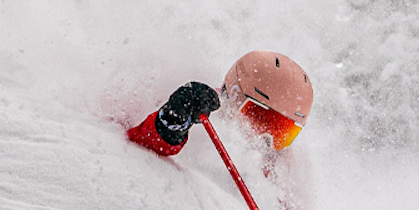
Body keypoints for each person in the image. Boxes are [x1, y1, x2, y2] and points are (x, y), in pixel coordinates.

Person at [127, 50, 312, 157]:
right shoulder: (199, 110)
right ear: (234, 93)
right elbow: (147, 141)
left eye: (282, 132)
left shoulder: (282, 166)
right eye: (259, 118)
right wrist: (173, 121)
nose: (265, 139)